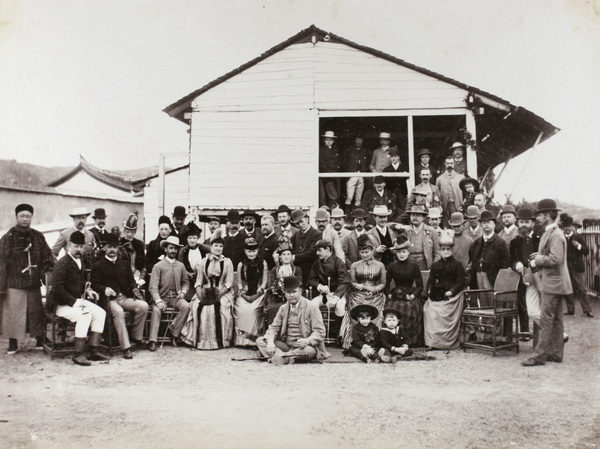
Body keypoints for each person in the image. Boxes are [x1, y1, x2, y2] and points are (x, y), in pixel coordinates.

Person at [522, 199, 573, 366]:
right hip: (556, 282)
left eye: (540, 215)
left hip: (552, 283)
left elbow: (556, 258)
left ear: (548, 216)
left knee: (545, 320)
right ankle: (556, 353)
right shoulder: (552, 233)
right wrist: (539, 256)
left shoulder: (555, 235)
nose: (537, 218)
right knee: (557, 320)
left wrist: (538, 260)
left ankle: (539, 356)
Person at [0, 204, 54, 354]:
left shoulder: (38, 237)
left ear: (32, 217)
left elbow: (47, 257)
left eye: (28, 216)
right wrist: (2, 285)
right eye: (22, 216)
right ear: (16, 217)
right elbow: (2, 261)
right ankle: (13, 342)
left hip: (32, 281)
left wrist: (46, 273)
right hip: (14, 282)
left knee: (36, 311)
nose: (25, 219)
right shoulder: (7, 238)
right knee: (14, 312)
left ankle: (39, 338)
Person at [49, 231, 108, 366]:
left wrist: (88, 289)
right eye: (76, 246)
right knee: (85, 315)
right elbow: (58, 289)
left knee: (100, 313)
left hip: (75, 302)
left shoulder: (79, 261)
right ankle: (78, 354)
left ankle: (94, 350)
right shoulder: (62, 263)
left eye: (82, 247)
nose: (79, 250)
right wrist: (75, 302)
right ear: (69, 245)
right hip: (61, 304)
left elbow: (78, 283)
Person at [91, 233, 149, 359]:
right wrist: (104, 289)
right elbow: (94, 284)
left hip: (124, 297)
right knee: (119, 312)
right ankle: (126, 347)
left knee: (143, 306)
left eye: (114, 247)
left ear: (118, 248)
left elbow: (131, 280)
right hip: (109, 300)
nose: (112, 250)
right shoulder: (98, 265)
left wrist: (134, 288)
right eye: (109, 247)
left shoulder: (124, 263)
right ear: (104, 248)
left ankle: (136, 337)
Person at [256, 275, 328, 365]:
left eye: (294, 292)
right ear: (285, 293)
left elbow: (320, 332)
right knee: (260, 341)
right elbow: (273, 328)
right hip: (287, 346)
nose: (292, 295)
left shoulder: (312, 307)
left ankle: (280, 356)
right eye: (289, 292)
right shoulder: (283, 308)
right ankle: (287, 357)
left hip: (305, 347)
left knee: (309, 351)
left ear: (300, 291)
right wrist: (270, 341)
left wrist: (308, 340)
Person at [183, 237, 235, 349]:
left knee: (221, 306)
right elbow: (199, 281)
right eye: (215, 245)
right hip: (205, 290)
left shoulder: (227, 262)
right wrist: (200, 294)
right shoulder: (204, 261)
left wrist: (219, 294)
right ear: (211, 247)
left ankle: (220, 341)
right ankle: (200, 340)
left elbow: (229, 282)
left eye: (220, 246)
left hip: (222, 291)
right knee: (197, 305)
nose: (218, 248)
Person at [340, 234, 387, 349]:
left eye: (367, 252)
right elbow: (353, 282)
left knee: (376, 311)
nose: (364, 255)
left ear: (372, 251)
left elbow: (383, 283)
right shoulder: (355, 265)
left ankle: (376, 341)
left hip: (375, 294)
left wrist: (374, 289)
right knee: (356, 309)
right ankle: (354, 340)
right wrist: (365, 287)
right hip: (358, 293)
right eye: (362, 252)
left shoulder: (380, 265)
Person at [423, 230, 466, 350]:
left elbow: (460, 281)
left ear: (451, 250)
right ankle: (432, 342)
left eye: (448, 249)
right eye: (443, 249)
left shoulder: (457, 264)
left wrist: (451, 292)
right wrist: (430, 290)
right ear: (440, 250)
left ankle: (447, 342)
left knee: (446, 312)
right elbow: (431, 281)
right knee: (429, 310)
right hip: (439, 293)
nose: (445, 252)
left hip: (453, 295)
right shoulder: (436, 265)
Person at [148, 236, 191, 352]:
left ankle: (174, 333)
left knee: (186, 306)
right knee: (156, 310)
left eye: (175, 249)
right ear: (166, 249)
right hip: (162, 297)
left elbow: (185, 282)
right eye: (171, 248)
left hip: (176, 297)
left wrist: (183, 292)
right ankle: (153, 340)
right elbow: (153, 287)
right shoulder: (158, 266)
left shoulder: (180, 266)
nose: (173, 251)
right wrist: (158, 301)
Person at [385, 235, 424, 347]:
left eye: (403, 252)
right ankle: (393, 339)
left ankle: (411, 341)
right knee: (393, 309)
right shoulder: (392, 266)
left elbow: (420, 285)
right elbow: (386, 285)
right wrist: (389, 295)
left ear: (408, 252)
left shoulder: (414, 266)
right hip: (396, 294)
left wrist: (413, 295)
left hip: (409, 294)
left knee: (412, 309)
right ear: (396, 254)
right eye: (399, 252)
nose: (401, 254)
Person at [510, 207, 540, 341]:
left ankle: (538, 334)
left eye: (527, 222)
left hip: (538, 277)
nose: (524, 225)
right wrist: (516, 263)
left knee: (538, 306)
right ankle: (525, 332)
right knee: (522, 304)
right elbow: (511, 260)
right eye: (521, 222)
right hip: (522, 277)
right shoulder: (515, 242)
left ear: (532, 223)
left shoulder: (540, 240)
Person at [234, 238, 268, 346]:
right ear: (245, 251)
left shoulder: (263, 263)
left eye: (254, 251)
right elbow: (239, 283)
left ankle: (253, 341)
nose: (251, 253)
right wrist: (244, 295)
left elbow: (264, 282)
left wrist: (257, 294)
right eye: (249, 251)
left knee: (253, 310)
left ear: (257, 250)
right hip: (245, 293)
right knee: (241, 310)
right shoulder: (241, 264)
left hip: (259, 293)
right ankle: (241, 341)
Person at [307, 240, 350, 327]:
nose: (317, 253)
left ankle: (339, 335)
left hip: (340, 294)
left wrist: (336, 297)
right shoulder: (316, 264)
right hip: (324, 294)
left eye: (319, 250)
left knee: (340, 307)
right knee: (312, 305)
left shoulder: (338, 262)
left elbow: (345, 281)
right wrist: (320, 286)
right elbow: (310, 280)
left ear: (327, 249)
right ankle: (318, 331)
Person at [264, 243, 302, 326]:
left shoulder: (297, 269)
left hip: (293, 296)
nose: (286, 256)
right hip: (278, 298)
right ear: (280, 257)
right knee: (273, 308)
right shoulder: (275, 269)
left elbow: (298, 284)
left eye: (288, 254)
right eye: (283, 254)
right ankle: (274, 332)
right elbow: (272, 285)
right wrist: (278, 289)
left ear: (292, 256)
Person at [562, 214, 593, 317]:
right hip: (565, 266)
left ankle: (587, 309)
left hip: (576, 266)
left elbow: (586, 251)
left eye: (569, 226)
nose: (567, 228)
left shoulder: (578, 237)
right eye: (565, 226)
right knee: (568, 287)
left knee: (581, 288)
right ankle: (570, 309)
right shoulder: (561, 238)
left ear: (572, 226)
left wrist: (578, 246)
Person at [401, 205, 440, 271]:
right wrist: (400, 226)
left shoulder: (431, 231)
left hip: (425, 265)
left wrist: (434, 267)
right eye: (413, 215)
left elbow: (437, 253)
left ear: (423, 218)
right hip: (409, 265)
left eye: (418, 215)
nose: (415, 218)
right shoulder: (406, 231)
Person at [290, 209, 322, 285]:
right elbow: (291, 248)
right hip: (298, 271)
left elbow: (312, 253)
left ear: (307, 219)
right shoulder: (296, 234)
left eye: (301, 222)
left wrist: (294, 257)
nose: (300, 225)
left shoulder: (316, 234)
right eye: (297, 224)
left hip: (311, 270)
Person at [177, 221, 206, 300]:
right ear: (187, 239)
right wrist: (189, 274)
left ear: (197, 238)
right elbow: (181, 267)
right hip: (188, 280)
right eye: (190, 238)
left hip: (203, 279)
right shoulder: (183, 251)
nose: (192, 240)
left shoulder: (203, 248)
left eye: (194, 238)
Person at [436, 155, 464, 228]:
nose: (449, 165)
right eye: (448, 163)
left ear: (454, 164)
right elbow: (437, 194)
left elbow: (464, 193)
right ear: (445, 164)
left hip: (456, 205)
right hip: (445, 207)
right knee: (446, 226)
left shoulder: (460, 177)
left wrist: (463, 203)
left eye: (451, 163)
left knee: (457, 225)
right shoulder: (439, 179)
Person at [343, 134, 370, 210]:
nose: (359, 142)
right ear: (354, 140)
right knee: (349, 195)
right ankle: (348, 214)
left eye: (360, 140)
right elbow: (344, 163)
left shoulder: (364, 151)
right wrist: (349, 172)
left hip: (361, 174)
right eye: (357, 139)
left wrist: (363, 170)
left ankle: (356, 213)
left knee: (359, 196)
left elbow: (367, 162)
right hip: (352, 174)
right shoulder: (349, 150)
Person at [119, 212, 146, 284]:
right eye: (127, 231)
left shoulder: (139, 244)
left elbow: (143, 264)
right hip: (122, 274)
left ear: (135, 232)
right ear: (124, 231)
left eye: (132, 232)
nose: (129, 234)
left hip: (136, 274)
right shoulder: (120, 243)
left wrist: (142, 277)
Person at [146, 215, 173, 283]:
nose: (163, 232)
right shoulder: (152, 244)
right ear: (158, 229)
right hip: (155, 276)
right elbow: (147, 263)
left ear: (170, 230)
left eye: (166, 229)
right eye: (161, 229)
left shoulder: (174, 244)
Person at [319, 130, 341, 208]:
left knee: (337, 195)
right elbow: (322, 165)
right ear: (324, 140)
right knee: (332, 196)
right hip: (327, 177)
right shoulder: (322, 151)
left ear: (333, 141)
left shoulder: (335, 150)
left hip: (336, 177)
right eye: (327, 140)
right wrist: (330, 173)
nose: (329, 142)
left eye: (331, 140)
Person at [383, 147, 407, 212]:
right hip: (390, 193)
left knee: (403, 209)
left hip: (402, 194)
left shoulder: (404, 168)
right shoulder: (386, 170)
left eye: (395, 156)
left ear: (398, 157)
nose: (393, 158)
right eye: (392, 156)